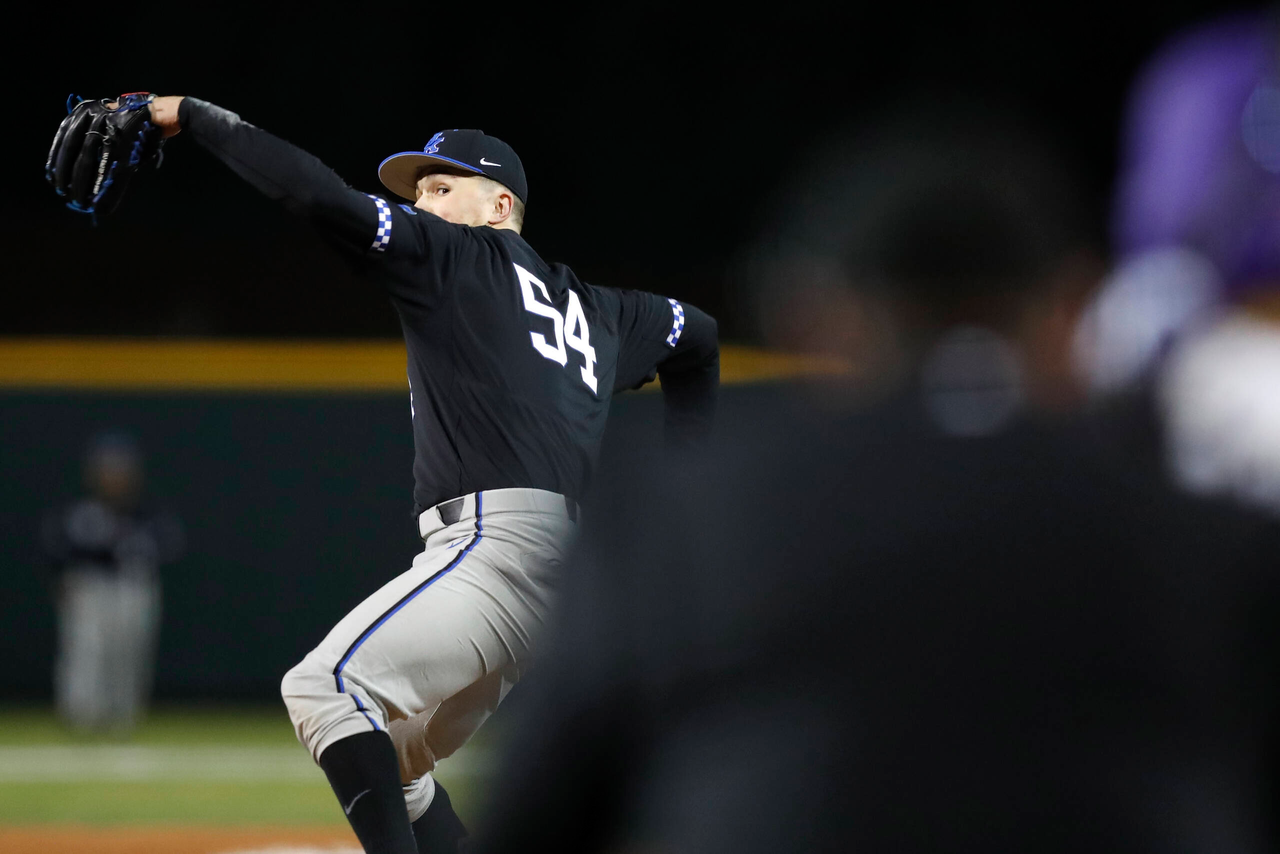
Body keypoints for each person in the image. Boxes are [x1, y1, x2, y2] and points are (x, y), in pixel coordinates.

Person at [469, 104, 1280, 853]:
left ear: (808, 314)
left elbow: (541, 816)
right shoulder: (1207, 537)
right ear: (1072, 312)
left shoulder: (676, 512)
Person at [131, 95, 719, 854]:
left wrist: (188, 114)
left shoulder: (457, 256)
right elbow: (696, 337)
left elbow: (316, 194)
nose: (422, 202)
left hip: (494, 547)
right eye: (418, 192)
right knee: (401, 766)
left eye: (442, 186)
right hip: (558, 577)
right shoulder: (598, 310)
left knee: (324, 689)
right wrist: (689, 483)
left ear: (499, 203)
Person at [40, 431, 183, 735]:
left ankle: (123, 716)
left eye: (120, 469)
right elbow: (58, 549)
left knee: (128, 654)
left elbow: (168, 545)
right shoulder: (80, 509)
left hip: (130, 587)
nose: (114, 476)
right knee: (87, 651)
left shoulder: (146, 511)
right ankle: (81, 715)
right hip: (90, 587)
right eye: (108, 469)